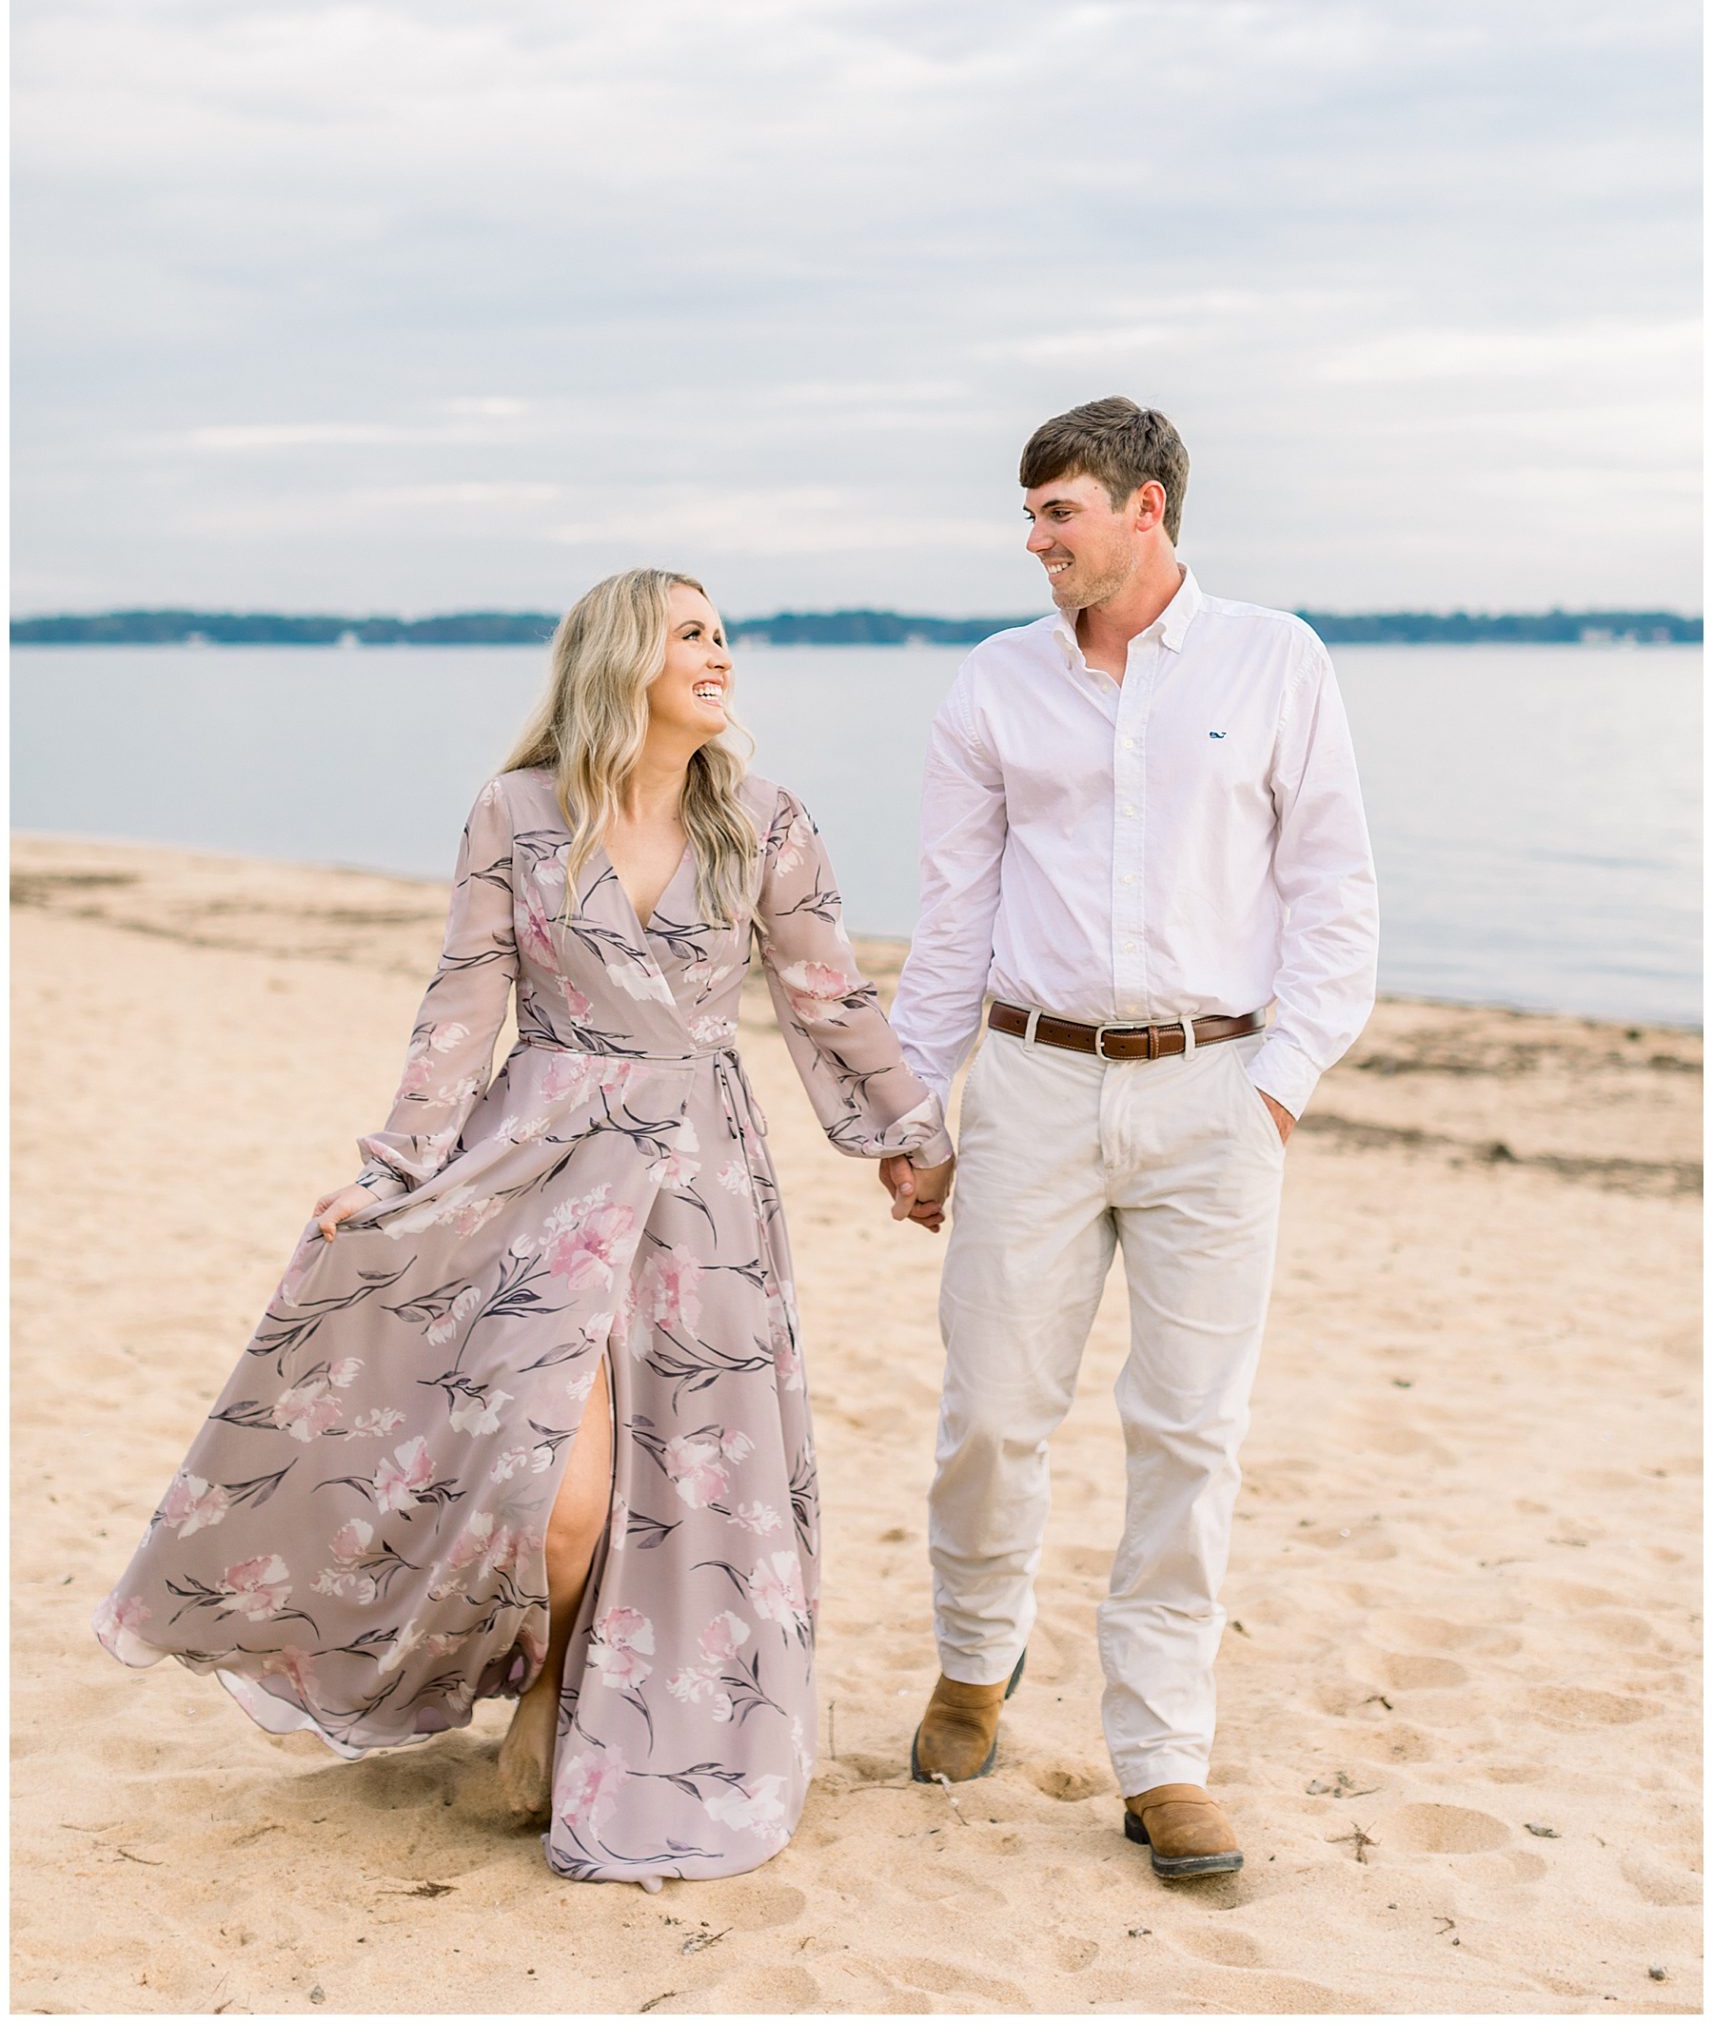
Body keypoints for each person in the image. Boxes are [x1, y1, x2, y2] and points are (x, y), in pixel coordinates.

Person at [94, 568, 953, 1885]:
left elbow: (827, 1001)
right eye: (690, 636)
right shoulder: (516, 812)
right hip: (535, 1170)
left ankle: (578, 1713)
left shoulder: (767, 820)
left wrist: (905, 1138)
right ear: (621, 660)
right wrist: (391, 1173)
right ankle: (547, 1673)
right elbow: (462, 999)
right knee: (551, 1502)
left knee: (687, 1478)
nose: (719, 656)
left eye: (724, 635)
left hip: (697, 1190)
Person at [882, 396, 1378, 1880]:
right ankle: (977, 1661)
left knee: (1187, 1434)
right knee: (990, 1411)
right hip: (1030, 1088)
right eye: (1029, 516)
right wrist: (917, 1107)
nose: (1033, 541)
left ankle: (1161, 1755)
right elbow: (951, 915)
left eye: (1057, 512)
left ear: (1144, 506)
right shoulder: (992, 685)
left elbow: (1333, 889)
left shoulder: (1272, 659)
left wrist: (1277, 1083)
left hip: (1216, 1095)